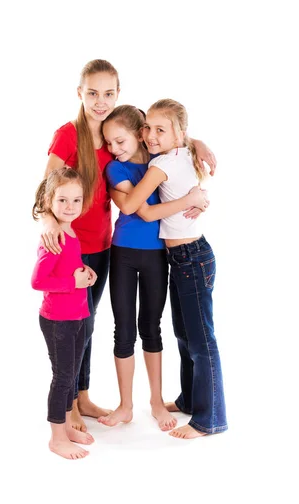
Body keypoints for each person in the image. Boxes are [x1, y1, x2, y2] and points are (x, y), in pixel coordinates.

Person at [40, 59, 217, 431]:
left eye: (108, 93)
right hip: (81, 244)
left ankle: (86, 396)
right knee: (79, 325)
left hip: (108, 245)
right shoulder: (73, 137)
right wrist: (47, 220)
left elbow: (166, 132)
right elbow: (49, 187)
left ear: (119, 96)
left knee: (97, 325)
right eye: (92, 93)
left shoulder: (134, 136)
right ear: (80, 93)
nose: (100, 101)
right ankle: (70, 404)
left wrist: (195, 142)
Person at [110, 98, 228, 439]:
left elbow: (139, 209)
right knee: (184, 335)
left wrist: (120, 197)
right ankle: (189, 398)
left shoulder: (162, 164)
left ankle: (209, 420)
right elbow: (180, 141)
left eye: (160, 130)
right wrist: (194, 145)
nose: (152, 135)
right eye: (149, 129)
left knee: (200, 340)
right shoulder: (172, 154)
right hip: (181, 258)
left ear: (179, 133)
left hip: (190, 256)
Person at [31, 167, 97, 459]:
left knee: (71, 376)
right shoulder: (53, 238)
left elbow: (70, 266)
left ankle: (68, 426)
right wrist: (73, 282)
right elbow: (38, 281)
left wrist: (85, 271)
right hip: (58, 321)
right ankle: (57, 437)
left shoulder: (70, 232)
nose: (70, 207)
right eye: (62, 201)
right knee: (63, 378)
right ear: (49, 202)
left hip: (79, 316)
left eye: (76, 200)